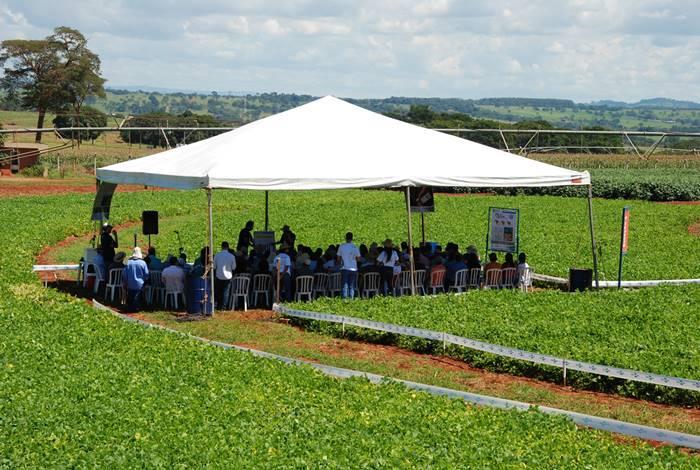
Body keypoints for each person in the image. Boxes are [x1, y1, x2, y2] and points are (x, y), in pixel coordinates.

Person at [123, 247, 149, 312]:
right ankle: (137, 305)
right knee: (137, 296)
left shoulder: (128, 262)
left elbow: (124, 275)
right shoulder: (143, 263)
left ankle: (131, 305)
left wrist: (125, 282)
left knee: (131, 295)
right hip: (140, 285)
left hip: (130, 284)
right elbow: (146, 275)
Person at [337, 232, 361, 299]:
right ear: (352, 238)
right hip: (353, 268)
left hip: (344, 267)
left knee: (344, 284)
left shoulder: (342, 246)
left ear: (345, 238)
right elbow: (359, 259)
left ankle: (344, 298)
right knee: (351, 285)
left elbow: (338, 258)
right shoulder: (355, 247)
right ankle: (351, 298)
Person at [213, 241, 236, 309]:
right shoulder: (232, 256)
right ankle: (224, 306)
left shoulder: (217, 255)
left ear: (221, 247)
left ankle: (217, 305)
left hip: (219, 276)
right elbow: (234, 267)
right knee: (226, 292)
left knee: (218, 291)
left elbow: (214, 267)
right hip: (228, 277)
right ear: (228, 247)